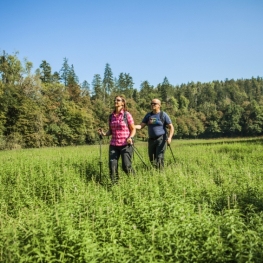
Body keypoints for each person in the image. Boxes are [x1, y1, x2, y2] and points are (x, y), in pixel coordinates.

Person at [98, 95, 136, 184]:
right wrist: (103, 134)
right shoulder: (111, 116)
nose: (116, 101)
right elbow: (111, 131)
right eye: (115, 100)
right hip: (114, 145)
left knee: (126, 166)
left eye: (118, 100)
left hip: (126, 145)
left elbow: (133, 129)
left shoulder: (127, 115)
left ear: (123, 103)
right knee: (112, 167)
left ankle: (135, 182)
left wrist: (130, 137)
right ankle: (114, 185)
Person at [135, 98, 174, 169]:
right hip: (151, 140)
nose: (152, 105)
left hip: (161, 139)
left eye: (154, 104)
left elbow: (171, 127)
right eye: (151, 104)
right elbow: (141, 126)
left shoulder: (163, 115)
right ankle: (155, 172)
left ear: (159, 105)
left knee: (159, 158)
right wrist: (133, 126)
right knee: (152, 158)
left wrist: (170, 137)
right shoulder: (148, 115)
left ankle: (161, 174)